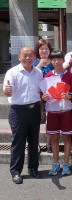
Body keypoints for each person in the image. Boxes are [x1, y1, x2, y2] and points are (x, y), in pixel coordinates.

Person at [3, 47, 44, 184]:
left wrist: (42, 110)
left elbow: (40, 93)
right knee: (18, 143)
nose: (28, 58)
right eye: (24, 55)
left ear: (34, 57)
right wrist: (7, 91)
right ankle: (15, 172)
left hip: (34, 110)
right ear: (19, 57)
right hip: (18, 111)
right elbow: (7, 92)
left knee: (34, 142)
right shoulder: (12, 72)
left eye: (30, 55)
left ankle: (33, 168)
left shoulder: (38, 72)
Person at [41, 50, 72, 176]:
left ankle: (66, 163)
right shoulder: (48, 75)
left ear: (63, 60)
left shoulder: (69, 76)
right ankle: (55, 163)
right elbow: (44, 93)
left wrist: (69, 96)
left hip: (66, 109)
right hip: (52, 110)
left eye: (58, 59)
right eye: (53, 60)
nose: (56, 62)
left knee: (66, 137)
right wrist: (44, 97)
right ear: (51, 61)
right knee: (54, 138)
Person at [33, 39, 54, 153]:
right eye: (41, 48)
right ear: (38, 50)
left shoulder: (53, 62)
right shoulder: (34, 63)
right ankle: (36, 145)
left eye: (46, 48)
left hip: (51, 97)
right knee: (36, 122)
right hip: (36, 97)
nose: (44, 51)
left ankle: (49, 144)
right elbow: (33, 74)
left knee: (50, 122)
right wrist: (41, 63)